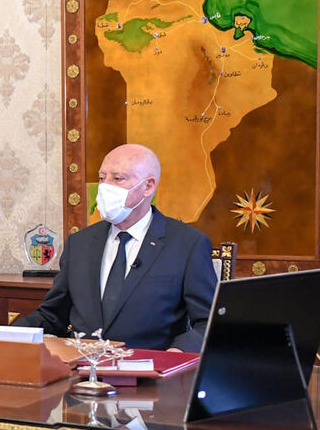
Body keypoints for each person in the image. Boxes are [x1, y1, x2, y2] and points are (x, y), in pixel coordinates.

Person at [13, 143, 216, 351]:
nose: (105, 187)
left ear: (148, 186)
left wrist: (176, 354)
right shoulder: (79, 243)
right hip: (83, 365)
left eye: (118, 178)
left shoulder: (187, 244)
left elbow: (208, 322)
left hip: (150, 366)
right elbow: (53, 315)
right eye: (102, 178)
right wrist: (3, 335)